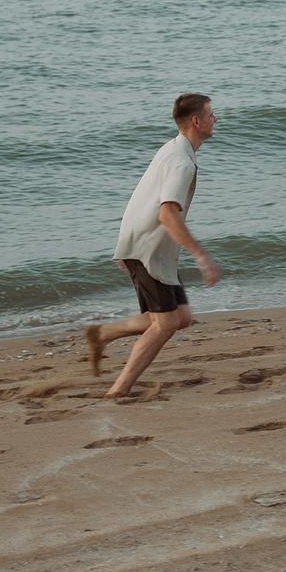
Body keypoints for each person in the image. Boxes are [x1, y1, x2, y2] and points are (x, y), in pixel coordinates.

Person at [86, 93, 222, 398]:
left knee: (180, 317)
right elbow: (166, 213)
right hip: (147, 249)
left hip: (147, 246)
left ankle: (103, 334)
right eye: (212, 115)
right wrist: (202, 256)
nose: (216, 120)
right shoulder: (181, 161)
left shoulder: (174, 149)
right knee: (165, 324)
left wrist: (125, 242)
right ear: (196, 121)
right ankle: (118, 391)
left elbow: (141, 196)